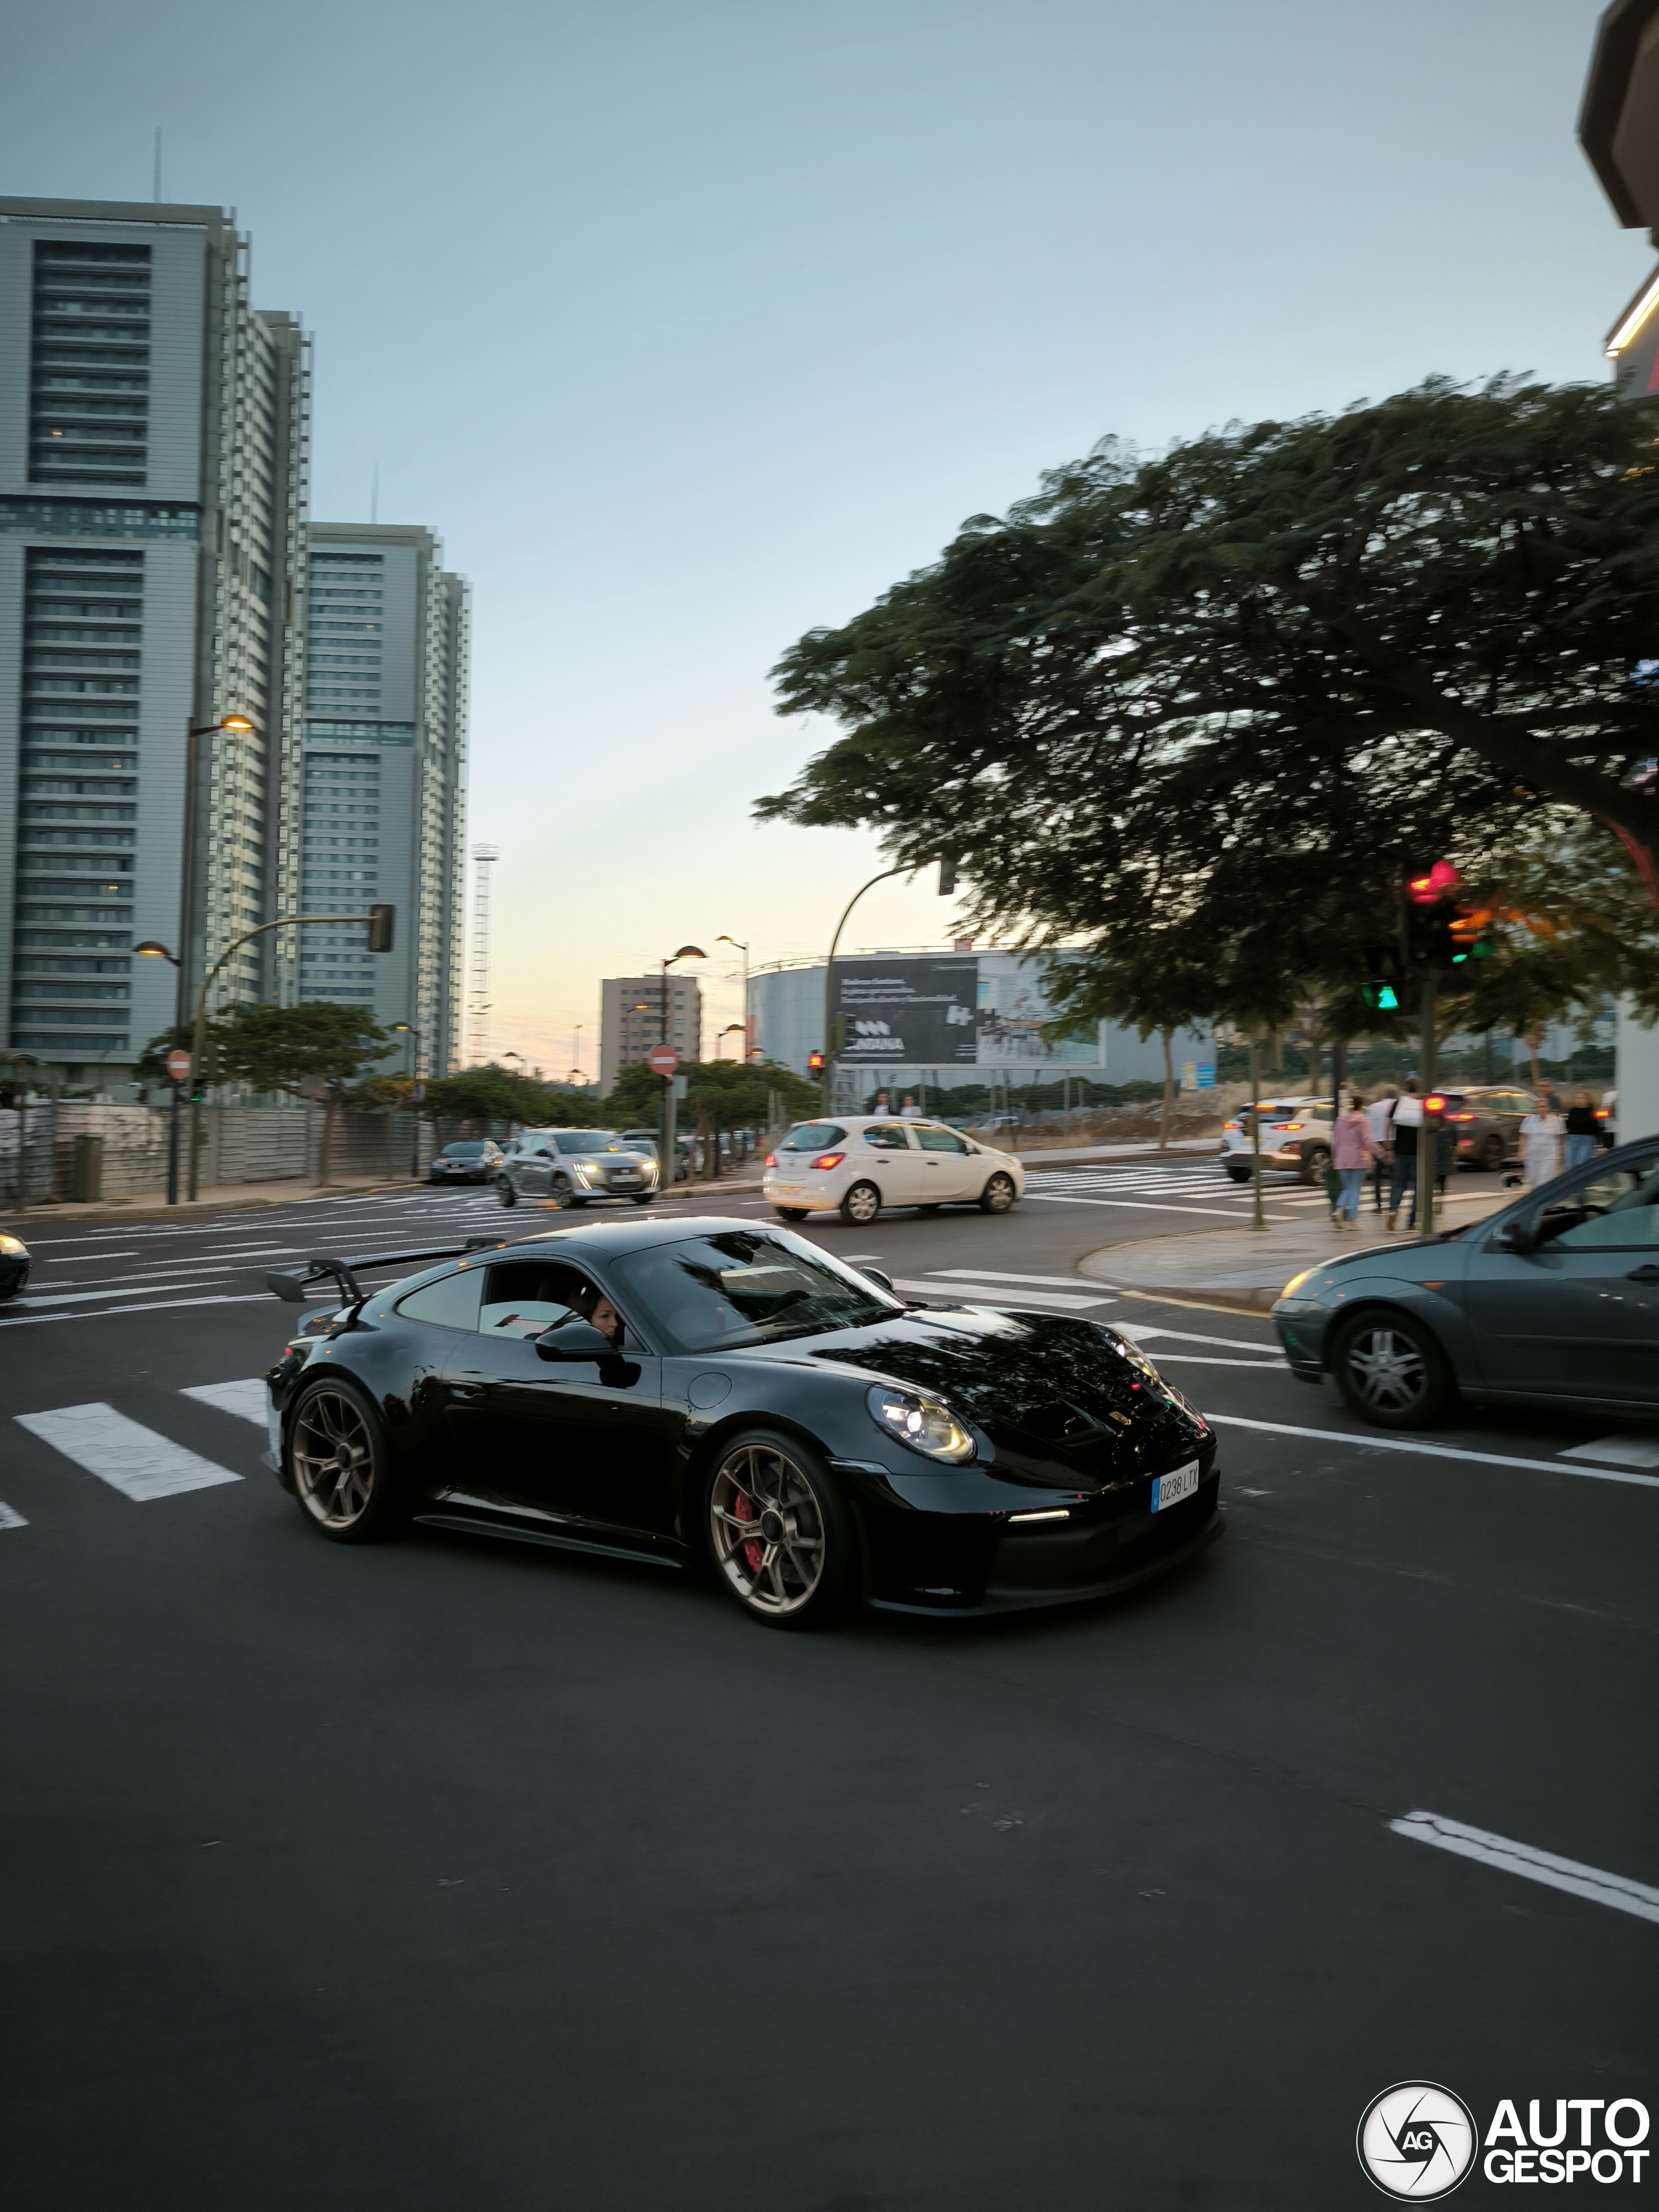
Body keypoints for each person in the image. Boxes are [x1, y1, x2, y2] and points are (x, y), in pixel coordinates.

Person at [1329, 1091, 1375, 1228]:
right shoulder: (1363, 1120)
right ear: (1361, 1106)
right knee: (1355, 1188)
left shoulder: (1340, 1120)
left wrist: (1334, 1156)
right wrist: (1380, 1154)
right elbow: (1367, 1140)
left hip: (1342, 1158)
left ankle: (1339, 1209)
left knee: (1347, 1188)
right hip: (1358, 1158)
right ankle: (1352, 1218)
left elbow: (1335, 1141)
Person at [1386, 1078, 1423, 1231]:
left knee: (1398, 1184)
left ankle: (1393, 1210)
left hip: (1400, 1151)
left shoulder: (1398, 1104)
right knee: (1417, 1187)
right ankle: (1411, 1222)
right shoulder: (1423, 1105)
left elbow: (1387, 1127)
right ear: (1420, 1089)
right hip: (1418, 1153)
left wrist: (1388, 1149)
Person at [1364, 1088, 1398, 1213]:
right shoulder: (1397, 1105)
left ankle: (1378, 1205)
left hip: (1376, 1141)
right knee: (1394, 1175)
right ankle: (1393, 1204)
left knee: (1377, 1175)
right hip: (1393, 1141)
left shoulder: (1373, 1107)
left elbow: (1368, 1125)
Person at [1520, 1100, 1564, 1189]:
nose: (1542, 1109)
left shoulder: (1556, 1121)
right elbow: (1524, 1137)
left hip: (1549, 1154)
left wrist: (1561, 1152)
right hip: (1532, 1153)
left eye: (1544, 1106)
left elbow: (1560, 1138)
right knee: (1533, 1178)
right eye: (1539, 1107)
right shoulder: (1529, 1121)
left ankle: (1543, 1199)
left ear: (1548, 1108)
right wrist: (1521, 1151)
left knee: (1544, 1177)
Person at [1564, 1088, 1600, 1171]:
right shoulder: (1572, 1111)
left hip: (1586, 1140)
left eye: (1581, 1098)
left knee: (1581, 1165)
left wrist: (1599, 1145)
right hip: (1571, 1139)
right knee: (1569, 1165)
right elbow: (1568, 1125)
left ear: (1587, 1100)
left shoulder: (1591, 1113)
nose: (1578, 1100)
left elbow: (1596, 1129)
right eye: (1577, 1098)